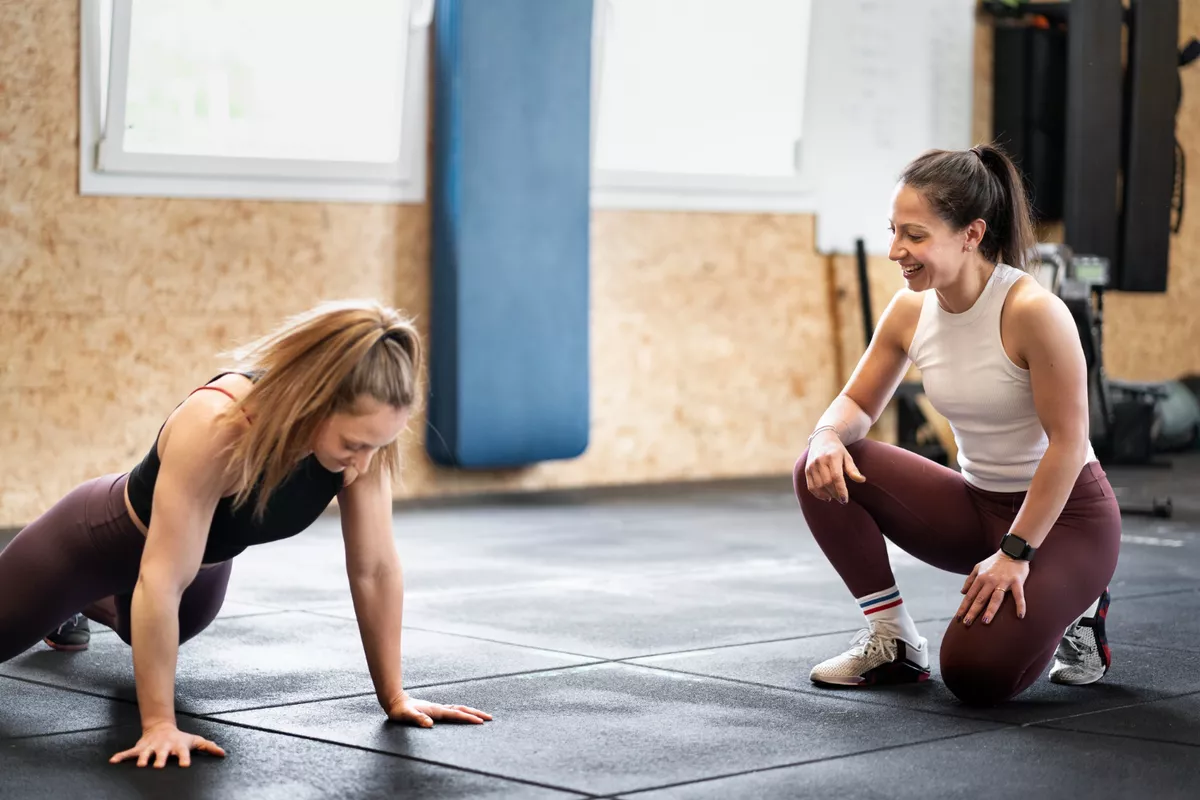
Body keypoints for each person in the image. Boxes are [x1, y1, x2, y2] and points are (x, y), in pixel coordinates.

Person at [0, 300, 492, 767]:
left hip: (197, 575)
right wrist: (158, 726)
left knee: (150, 629)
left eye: (376, 445)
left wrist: (395, 696)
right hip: (94, 541)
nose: (363, 463)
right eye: (353, 444)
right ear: (313, 401)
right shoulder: (220, 425)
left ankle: (81, 605)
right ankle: (64, 595)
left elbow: (375, 567)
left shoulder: (366, 445)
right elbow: (161, 579)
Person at [795, 144, 1121, 707]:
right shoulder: (909, 310)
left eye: (915, 236)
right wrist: (825, 434)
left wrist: (1016, 553)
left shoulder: (1033, 313)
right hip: (977, 507)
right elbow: (857, 403)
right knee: (819, 465)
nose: (896, 249)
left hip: (1066, 521)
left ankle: (1078, 607)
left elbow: (1068, 447)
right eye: (894, 231)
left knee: (974, 676)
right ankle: (893, 641)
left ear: (971, 233)